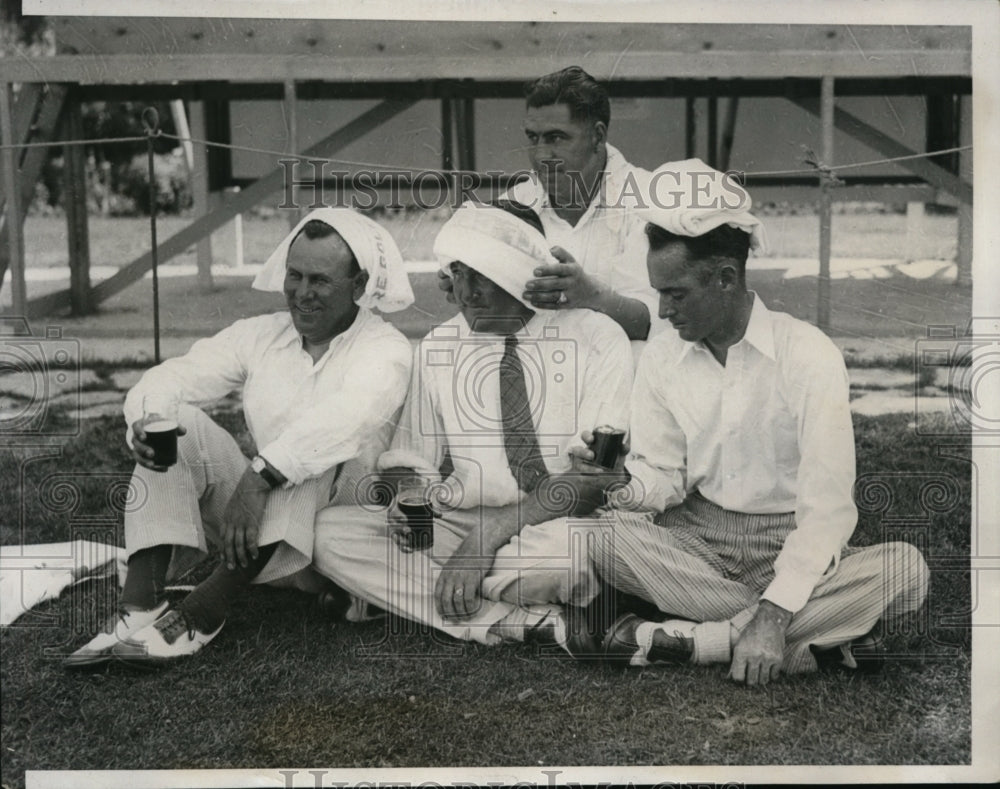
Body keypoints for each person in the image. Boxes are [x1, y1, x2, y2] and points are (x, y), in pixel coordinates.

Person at [575, 169, 930, 683]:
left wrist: (775, 609)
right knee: (601, 538)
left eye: (675, 294)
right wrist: (622, 486)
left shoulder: (808, 354)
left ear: (725, 277)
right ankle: (818, 641)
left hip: (787, 539)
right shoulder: (664, 353)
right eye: (658, 293)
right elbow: (663, 474)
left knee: (905, 570)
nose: (662, 310)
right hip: (695, 538)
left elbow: (828, 509)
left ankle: (694, 642)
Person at [64, 208, 415, 668]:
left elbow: (343, 421)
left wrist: (258, 477)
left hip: (340, 538)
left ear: (358, 284)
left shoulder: (385, 349)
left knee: (313, 453)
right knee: (178, 422)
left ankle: (201, 613)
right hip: (263, 538)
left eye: (320, 281)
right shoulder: (263, 335)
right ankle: (140, 606)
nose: (302, 293)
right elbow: (176, 376)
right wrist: (145, 420)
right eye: (295, 275)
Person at [312, 200, 633, 651]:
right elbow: (411, 460)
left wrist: (488, 538)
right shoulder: (441, 345)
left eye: (484, 273)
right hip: (460, 525)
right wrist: (411, 505)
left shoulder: (596, 338)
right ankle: (515, 621)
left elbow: (594, 481)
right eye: (459, 272)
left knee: (570, 558)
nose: (467, 291)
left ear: (529, 273)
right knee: (331, 535)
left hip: (554, 525)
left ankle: (460, 597)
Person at [438, 66, 675, 342]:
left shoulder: (650, 203)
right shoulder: (514, 205)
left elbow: (661, 322)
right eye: (533, 138)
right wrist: (459, 276)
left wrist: (590, 296)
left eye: (556, 138)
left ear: (598, 136)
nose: (541, 155)